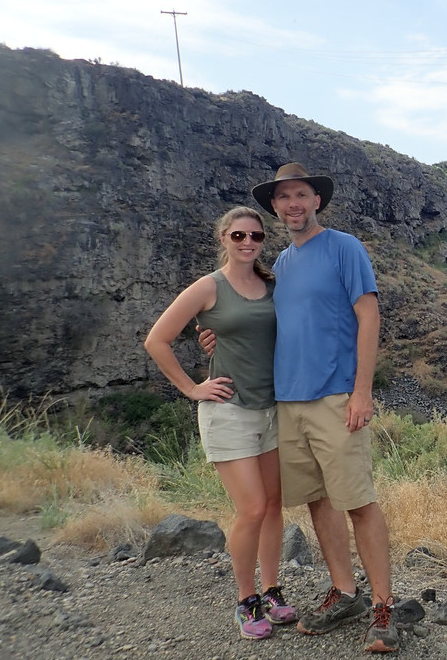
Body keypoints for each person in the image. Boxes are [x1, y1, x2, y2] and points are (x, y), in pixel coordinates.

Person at [202, 163, 398, 653]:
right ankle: (345, 592)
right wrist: (214, 337)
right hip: (287, 403)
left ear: (316, 201)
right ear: (275, 206)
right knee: (318, 501)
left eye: (301, 195)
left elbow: (369, 316)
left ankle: (383, 608)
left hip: (336, 397)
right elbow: (257, 320)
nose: (293, 204)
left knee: (359, 501)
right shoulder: (281, 266)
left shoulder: (344, 247)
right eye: (284, 197)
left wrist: (362, 391)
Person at [144, 206, 298, 641]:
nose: (248, 242)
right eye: (238, 235)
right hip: (228, 411)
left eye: (256, 236)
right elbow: (157, 340)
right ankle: (246, 600)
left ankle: (272, 590)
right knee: (252, 508)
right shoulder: (209, 287)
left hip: (271, 408)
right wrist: (192, 387)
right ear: (223, 238)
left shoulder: (271, 285)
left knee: (273, 505)